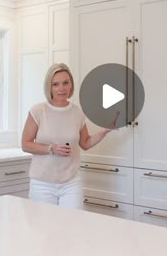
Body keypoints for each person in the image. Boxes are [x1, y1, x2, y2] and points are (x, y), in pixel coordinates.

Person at [22, 63, 118, 209]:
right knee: (44, 229)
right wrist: (51, 148)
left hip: (71, 183)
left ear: (71, 85)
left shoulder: (77, 112)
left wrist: (104, 130)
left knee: (73, 227)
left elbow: (85, 143)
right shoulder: (38, 110)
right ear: (49, 87)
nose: (62, 88)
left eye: (66, 83)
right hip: (42, 184)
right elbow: (26, 144)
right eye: (56, 84)